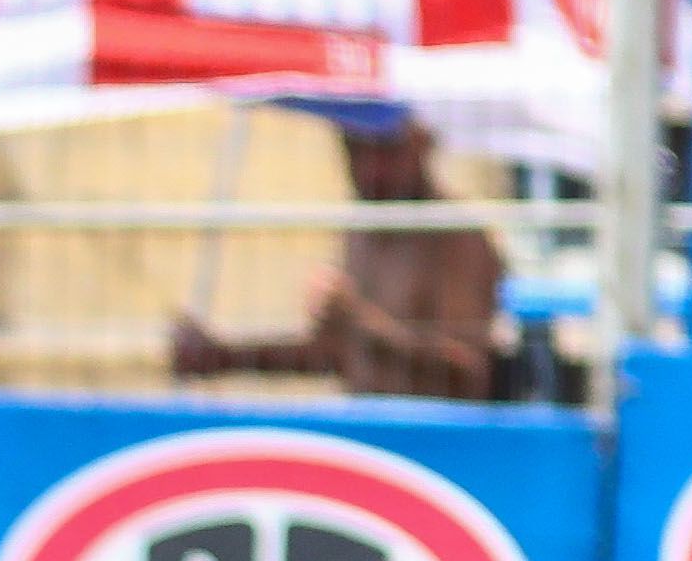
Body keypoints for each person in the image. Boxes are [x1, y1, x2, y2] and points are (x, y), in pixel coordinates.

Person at [170, 117, 502, 402]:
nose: (368, 167)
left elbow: (467, 370)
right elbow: (338, 352)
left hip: (438, 446)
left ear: (422, 143)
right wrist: (227, 356)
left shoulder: (456, 236)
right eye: (354, 150)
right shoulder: (364, 230)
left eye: (384, 150)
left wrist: (359, 319)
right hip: (366, 436)